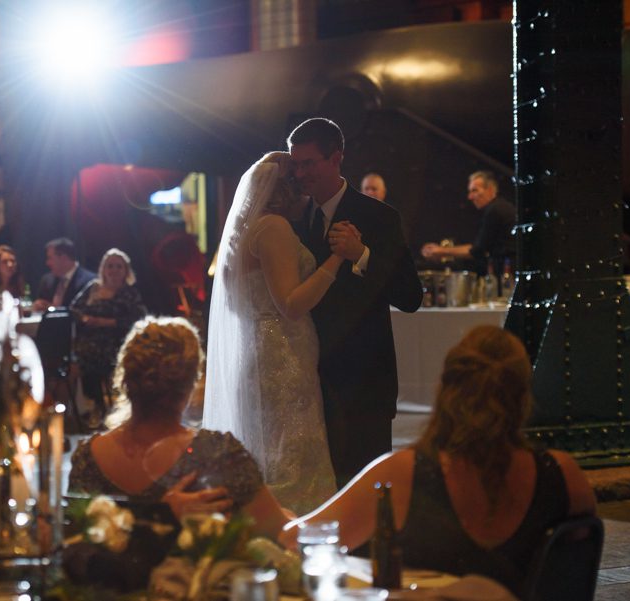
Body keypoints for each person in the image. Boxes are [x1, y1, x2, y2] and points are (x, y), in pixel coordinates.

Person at [281, 326, 596, 597]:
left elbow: (297, 543)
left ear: (445, 390)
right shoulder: (564, 475)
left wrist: (268, 507)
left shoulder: (404, 474)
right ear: (523, 396)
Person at [203, 151, 340, 514]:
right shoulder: (273, 227)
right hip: (283, 355)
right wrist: (336, 261)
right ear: (287, 190)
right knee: (291, 457)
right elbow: (291, 304)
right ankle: (295, 529)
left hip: (256, 349)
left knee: (266, 451)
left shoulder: (242, 230)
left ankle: (259, 526)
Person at [288, 118, 422, 486]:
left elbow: (411, 297)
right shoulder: (290, 220)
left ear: (336, 159)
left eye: (308, 163)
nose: (299, 173)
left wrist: (362, 254)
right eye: (295, 164)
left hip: (364, 384)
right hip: (307, 383)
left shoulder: (379, 217)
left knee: (366, 491)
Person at [68, 316, 290, 540]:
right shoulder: (219, 454)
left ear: (125, 378)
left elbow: (74, 545)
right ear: (190, 386)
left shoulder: (87, 459)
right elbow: (284, 534)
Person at [71, 248, 147, 425]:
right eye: (110, 266)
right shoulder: (93, 288)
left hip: (116, 343)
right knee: (78, 361)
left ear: (126, 271)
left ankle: (104, 408)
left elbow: (136, 318)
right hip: (88, 343)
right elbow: (74, 309)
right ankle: (91, 407)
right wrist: (85, 319)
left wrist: (106, 322)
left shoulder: (129, 293)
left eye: (118, 266)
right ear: (103, 269)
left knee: (95, 359)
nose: (114, 270)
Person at [421, 170, 516, 277]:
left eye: (474, 190)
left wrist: (440, 251)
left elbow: (476, 251)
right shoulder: (500, 207)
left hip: (508, 274)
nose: (470, 197)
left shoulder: (494, 210)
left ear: (490, 190)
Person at [33, 238, 96, 312]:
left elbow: (82, 312)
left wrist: (53, 309)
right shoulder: (47, 281)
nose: (47, 263)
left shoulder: (89, 282)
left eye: (50, 258)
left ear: (63, 258)